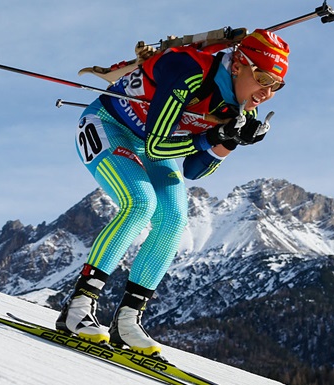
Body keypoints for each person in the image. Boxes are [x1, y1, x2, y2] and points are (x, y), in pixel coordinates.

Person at [56, 29, 290, 356]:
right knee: (141, 203)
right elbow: (157, 142)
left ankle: (128, 321)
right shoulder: (191, 72)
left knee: (175, 219)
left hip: (157, 147)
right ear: (238, 65)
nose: (266, 92)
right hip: (110, 125)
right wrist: (215, 135)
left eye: (276, 85)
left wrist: (230, 140)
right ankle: (78, 307)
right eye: (263, 78)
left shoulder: (243, 110)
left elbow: (195, 169)